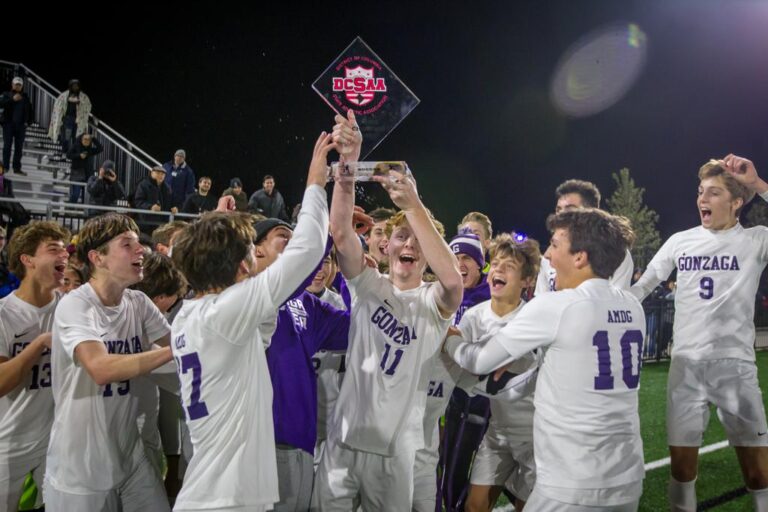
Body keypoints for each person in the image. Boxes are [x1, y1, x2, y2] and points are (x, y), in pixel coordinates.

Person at [169, 129, 333, 512]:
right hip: (225, 500)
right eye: (250, 255)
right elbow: (308, 248)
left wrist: (220, 224)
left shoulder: (192, 316)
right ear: (243, 264)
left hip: (214, 492)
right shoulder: (227, 311)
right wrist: (314, 183)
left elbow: (262, 324)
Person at [445, 208, 645, 511]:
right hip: (626, 477)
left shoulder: (558, 305)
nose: (549, 256)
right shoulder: (632, 307)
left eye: (555, 244)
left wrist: (452, 340)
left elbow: (478, 360)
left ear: (580, 257)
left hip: (572, 481)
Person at [314, 110, 463, 510]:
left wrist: (414, 207)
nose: (409, 245)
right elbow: (341, 233)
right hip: (342, 443)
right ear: (388, 245)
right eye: (401, 236)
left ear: (429, 256)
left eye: (418, 242)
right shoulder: (369, 285)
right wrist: (348, 163)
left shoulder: (433, 303)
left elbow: (453, 283)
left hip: (393, 455)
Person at [631, 154, 768, 511]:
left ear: (736, 202)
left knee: (758, 474)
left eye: (714, 193)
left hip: (735, 366)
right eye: (700, 191)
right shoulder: (681, 241)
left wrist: (758, 184)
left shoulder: (756, 239)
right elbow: (643, 286)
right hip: (686, 366)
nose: (702, 199)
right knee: (681, 471)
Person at [45, 212, 174, 511]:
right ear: (97, 257)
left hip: (129, 454)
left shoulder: (138, 303)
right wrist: (176, 348)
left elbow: (183, 347)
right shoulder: (75, 305)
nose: (141, 249)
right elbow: (100, 369)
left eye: (138, 242)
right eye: (127, 244)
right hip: (81, 466)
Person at [0, 221, 70, 511]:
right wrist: (40, 343)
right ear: (27, 260)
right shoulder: (5, 313)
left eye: (66, 250)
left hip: (56, 443)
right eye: (54, 249)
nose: (64, 256)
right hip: (9, 443)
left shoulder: (70, 307)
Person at [536, 179, 633, 294]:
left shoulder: (615, 253)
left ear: (591, 213)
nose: (561, 215)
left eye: (570, 209)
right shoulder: (550, 254)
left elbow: (612, 303)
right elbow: (541, 298)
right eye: (558, 210)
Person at [0, 77, 34, 175]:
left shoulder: (26, 97)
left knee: (19, 148)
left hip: (21, 126)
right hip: (8, 125)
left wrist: (29, 122)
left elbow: (30, 111)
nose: (17, 86)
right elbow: (1, 104)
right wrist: (12, 99)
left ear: (22, 86)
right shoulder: (6, 94)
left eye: (19, 85)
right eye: (16, 84)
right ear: (12, 84)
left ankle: (17, 168)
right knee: (7, 146)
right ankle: (5, 167)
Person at [48, 79, 92, 154]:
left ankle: (74, 154)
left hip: (78, 121)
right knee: (66, 138)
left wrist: (80, 102)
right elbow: (57, 105)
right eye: (74, 85)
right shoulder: (65, 95)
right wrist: (68, 100)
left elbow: (88, 106)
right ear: (70, 86)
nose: (75, 87)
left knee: (77, 138)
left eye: (77, 86)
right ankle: (65, 153)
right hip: (68, 120)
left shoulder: (83, 97)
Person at [66, 133, 103, 204]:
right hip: (77, 173)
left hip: (87, 173)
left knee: (85, 196)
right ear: (81, 139)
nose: (87, 141)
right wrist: (79, 156)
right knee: (76, 193)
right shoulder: (76, 146)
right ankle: (70, 208)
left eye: (89, 140)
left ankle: (83, 212)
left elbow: (100, 149)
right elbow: (68, 155)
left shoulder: (90, 150)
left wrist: (94, 139)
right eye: (85, 139)